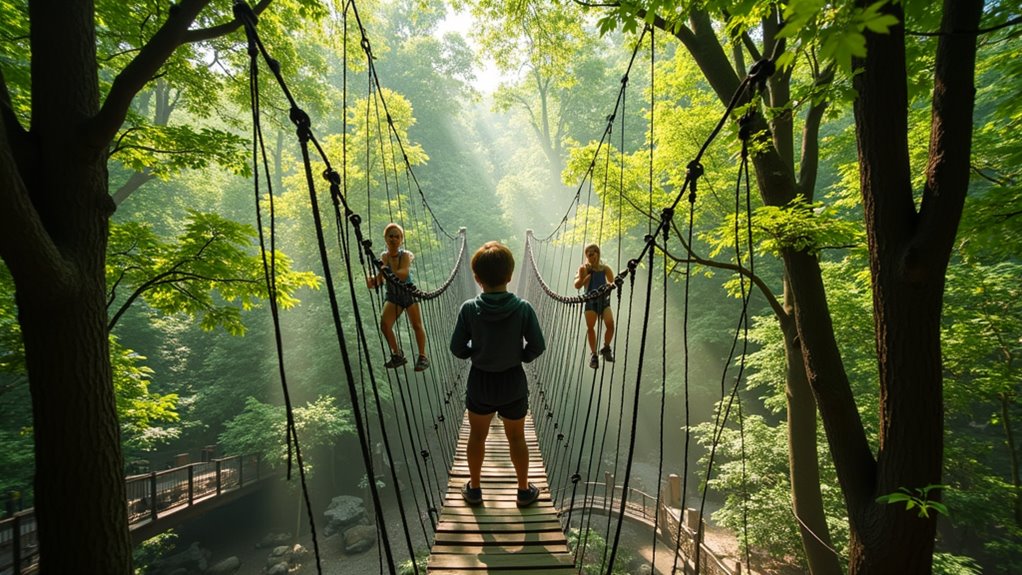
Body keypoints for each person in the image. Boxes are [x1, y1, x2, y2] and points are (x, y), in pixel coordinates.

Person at [450, 241, 546, 507]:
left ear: (477, 279)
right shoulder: (523, 308)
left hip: (480, 381)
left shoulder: (469, 309)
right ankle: (524, 491)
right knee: (517, 437)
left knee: (477, 436)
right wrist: (518, 357)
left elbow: (457, 348)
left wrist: (477, 352)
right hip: (513, 381)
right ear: (510, 276)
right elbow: (537, 346)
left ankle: (475, 489)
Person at [367, 223, 429, 371]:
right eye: (391, 236)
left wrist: (384, 271)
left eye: (397, 236)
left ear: (401, 240)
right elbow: (382, 279)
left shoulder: (405, 255)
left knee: (416, 325)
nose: (394, 239)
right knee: (385, 325)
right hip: (393, 295)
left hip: (408, 293)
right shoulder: (384, 256)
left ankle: (422, 356)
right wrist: (373, 281)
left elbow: (403, 273)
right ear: (385, 239)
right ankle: (397, 354)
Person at [574, 243, 615, 369]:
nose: (591, 256)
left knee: (610, 324)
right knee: (591, 327)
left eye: (593, 253)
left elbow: (612, 281)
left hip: (603, 300)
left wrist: (610, 285)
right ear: (586, 256)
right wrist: (584, 279)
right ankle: (594, 355)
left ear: (598, 253)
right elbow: (577, 285)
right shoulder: (584, 268)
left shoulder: (605, 268)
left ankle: (606, 347)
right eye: (589, 254)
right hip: (590, 300)